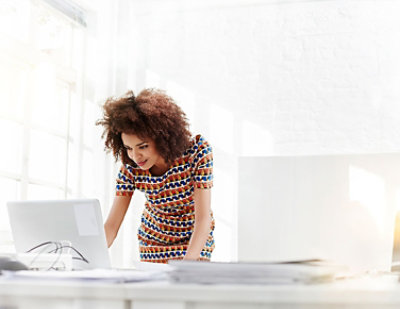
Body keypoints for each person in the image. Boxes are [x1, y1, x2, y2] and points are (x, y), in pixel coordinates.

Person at [96, 88, 215, 263]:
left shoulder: (197, 152)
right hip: (153, 243)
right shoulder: (131, 167)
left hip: (194, 238)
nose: (136, 157)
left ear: (162, 138)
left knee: (186, 287)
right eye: (129, 148)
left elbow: (203, 219)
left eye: (142, 146)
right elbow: (111, 227)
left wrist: (187, 265)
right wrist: (86, 256)